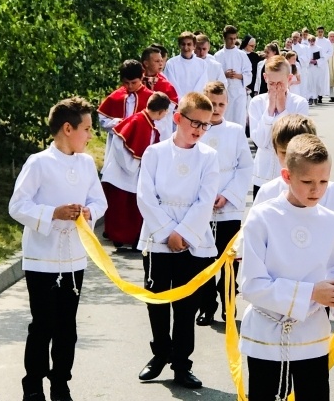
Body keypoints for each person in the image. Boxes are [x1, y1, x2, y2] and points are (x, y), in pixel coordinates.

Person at [239, 134, 334, 401]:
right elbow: (252, 286)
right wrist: (312, 293)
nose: (316, 190)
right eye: (307, 182)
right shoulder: (262, 217)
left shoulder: (332, 221)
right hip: (266, 336)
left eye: (323, 182)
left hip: (311, 335)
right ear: (287, 176)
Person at [9, 97, 108, 401]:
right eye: (87, 129)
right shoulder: (38, 163)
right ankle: (34, 385)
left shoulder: (87, 162)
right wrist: (53, 212)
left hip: (74, 258)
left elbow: (99, 200)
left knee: (67, 327)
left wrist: (88, 212)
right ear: (68, 128)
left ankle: (61, 383)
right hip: (42, 258)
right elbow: (17, 206)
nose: (91, 135)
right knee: (43, 325)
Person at [136, 92, 220, 389]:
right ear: (177, 118)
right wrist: (167, 232)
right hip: (158, 239)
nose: (198, 129)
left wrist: (182, 233)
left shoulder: (208, 157)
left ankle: (182, 364)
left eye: (205, 125)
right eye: (194, 122)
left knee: (186, 303)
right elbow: (146, 195)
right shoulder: (155, 153)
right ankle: (160, 354)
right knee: (157, 299)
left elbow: (205, 199)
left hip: (191, 240)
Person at [196, 81, 253, 326]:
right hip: (202, 207)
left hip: (229, 206)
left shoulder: (236, 131)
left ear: (227, 105)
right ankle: (207, 306)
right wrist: (204, 198)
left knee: (228, 260)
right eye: (212, 104)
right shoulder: (198, 130)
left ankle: (229, 305)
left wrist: (228, 194)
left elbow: (245, 166)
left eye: (221, 104)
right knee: (205, 260)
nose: (216, 108)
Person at [253, 115, 334, 232]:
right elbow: (254, 230)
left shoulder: (328, 191)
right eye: (284, 153)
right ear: (275, 151)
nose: (289, 160)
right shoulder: (268, 191)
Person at [101, 92, 172, 249]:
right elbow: (119, 144)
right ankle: (119, 238)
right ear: (161, 112)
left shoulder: (147, 121)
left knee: (132, 208)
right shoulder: (137, 120)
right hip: (122, 173)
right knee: (121, 209)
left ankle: (133, 239)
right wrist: (131, 164)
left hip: (132, 173)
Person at [248, 55, 310, 198]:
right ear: (265, 78)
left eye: (280, 83)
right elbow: (260, 141)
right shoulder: (257, 103)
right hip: (262, 172)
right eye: (271, 83)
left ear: (289, 79)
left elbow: (295, 140)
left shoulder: (299, 103)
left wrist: (282, 110)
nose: (275, 88)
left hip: (289, 172)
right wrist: (269, 111)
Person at [98, 59, 154, 158]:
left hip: (141, 143)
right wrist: (117, 123)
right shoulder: (115, 97)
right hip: (117, 143)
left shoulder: (151, 98)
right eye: (126, 83)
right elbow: (102, 120)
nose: (130, 86)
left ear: (141, 77)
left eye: (133, 82)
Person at [214, 25, 253, 126]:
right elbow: (214, 74)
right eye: (230, 39)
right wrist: (225, 75)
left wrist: (238, 76)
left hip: (239, 92)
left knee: (239, 120)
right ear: (225, 38)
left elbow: (248, 73)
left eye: (234, 38)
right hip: (224, 92)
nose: (232, 41)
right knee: (225, 119)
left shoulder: (241, 55)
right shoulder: (218, 55)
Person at [163, 32, 209, 98]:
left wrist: (192, 100)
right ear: (179, 45)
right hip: (177, 104)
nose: (186, 47)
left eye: (189, 44)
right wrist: (182, 101)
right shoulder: (171, 64)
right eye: (183, 44)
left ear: (194, 46)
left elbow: (203, 85)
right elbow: (170, 85)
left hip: (196, 102)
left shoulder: (202, 64)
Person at [314, 26, 333, 102]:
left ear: (323, 32)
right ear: (317, 32)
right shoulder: (314, 40)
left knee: (322, 80)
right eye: (319, 31)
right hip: (315, 63)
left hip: (323, 63)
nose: (320, 33)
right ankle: (314, 95)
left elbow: (330, 52)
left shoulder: (327, 41)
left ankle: (320, 96)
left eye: (321, 31)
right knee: (315, 79)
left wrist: (322, 56)